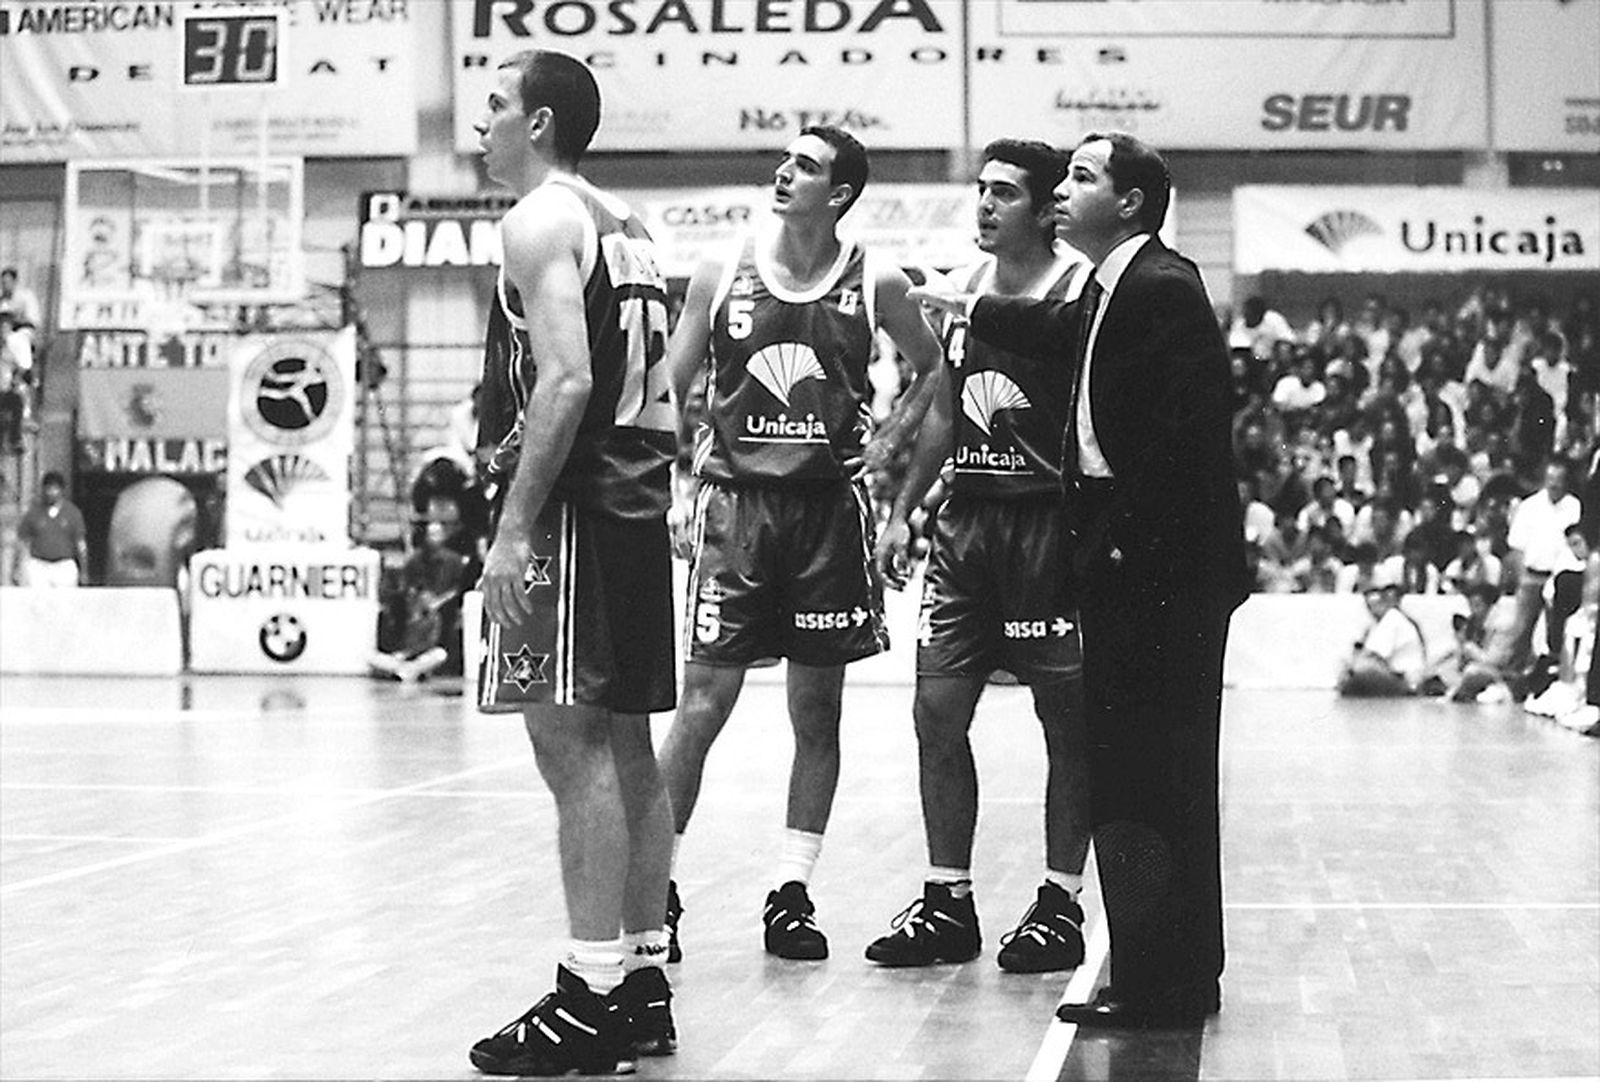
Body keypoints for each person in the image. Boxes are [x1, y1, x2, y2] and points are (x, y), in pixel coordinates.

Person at [914, 130, 1249, 1027]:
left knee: (1152, 783)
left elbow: (1187, 442)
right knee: (1140, 781)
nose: (1062, 190)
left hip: (1158, 579)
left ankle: (1160, 983)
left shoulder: (1162, 287)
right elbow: (1055, 328)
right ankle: (1168, 972)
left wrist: (1120, 548)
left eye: (1083, 177)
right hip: (1139, 571)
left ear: (1130, 202)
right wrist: (967, 305)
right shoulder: (1112, 287)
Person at [660, 124, 944, 962]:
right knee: (702, 705)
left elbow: (935, 368)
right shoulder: (721, 269)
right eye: (785, 161)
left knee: (816, 712)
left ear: (840, 193)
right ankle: (654, 889)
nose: (784, 173)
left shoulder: (876, 280)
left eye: (806, 166)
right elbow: (670, 385)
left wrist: (885, 449)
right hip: (736, 510)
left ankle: (791, 891)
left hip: (827, 515)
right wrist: (676, 488)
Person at [466, 50, 678, 1077]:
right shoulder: (626, 223)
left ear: (540, 122)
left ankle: (587, 996)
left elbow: (564, 382)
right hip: (634, 500)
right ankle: (640, 981)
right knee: (628, 745)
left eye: (496, 105)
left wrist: (513, 527)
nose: (482, 125)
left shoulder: (539, 219)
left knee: (570, 747)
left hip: (578, 506)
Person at [864, 139, 1092, 973]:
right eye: (982, 190)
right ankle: (947, 901)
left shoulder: (1080, 291)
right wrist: (903, 511)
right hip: (966, 529)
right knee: (936, 712)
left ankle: (1060, 902)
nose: (985, 205)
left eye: (1005, 193)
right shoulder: (960, 287)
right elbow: (945, 411)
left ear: (1046, 210)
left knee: (1066, 724)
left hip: (1048, 528)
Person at [369, 513, 473, 684]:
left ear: (444, 536)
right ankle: (407, 670)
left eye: (437, 534)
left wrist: (438, 601)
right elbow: (408, 585)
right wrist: (401, 654)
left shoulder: (454, 561)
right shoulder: (415, 562)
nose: (433, 539)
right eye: (431, 534)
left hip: (433, 631)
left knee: (438, 655)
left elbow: (458, 588)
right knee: (371, 657)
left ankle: (409, 670)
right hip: (402, 656)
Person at [1337, 572, 1428, 698]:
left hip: (1404, 679)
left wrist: (1350, 669)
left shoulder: (1393, 617)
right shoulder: (1384, 623)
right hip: (1399, 677)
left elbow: (1373, 656)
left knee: (1362, 669)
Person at [15, 471, 86, 587]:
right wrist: (20, 567)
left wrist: (84, 570)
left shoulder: (73, 513)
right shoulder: (33, 513)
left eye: (55, 489)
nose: (51, 493)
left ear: (62, 491)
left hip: (64, 566)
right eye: (48, 489)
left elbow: (80, 544)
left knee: (65, 598)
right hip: (38, 566)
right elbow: (23, 542)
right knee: (38, 598)